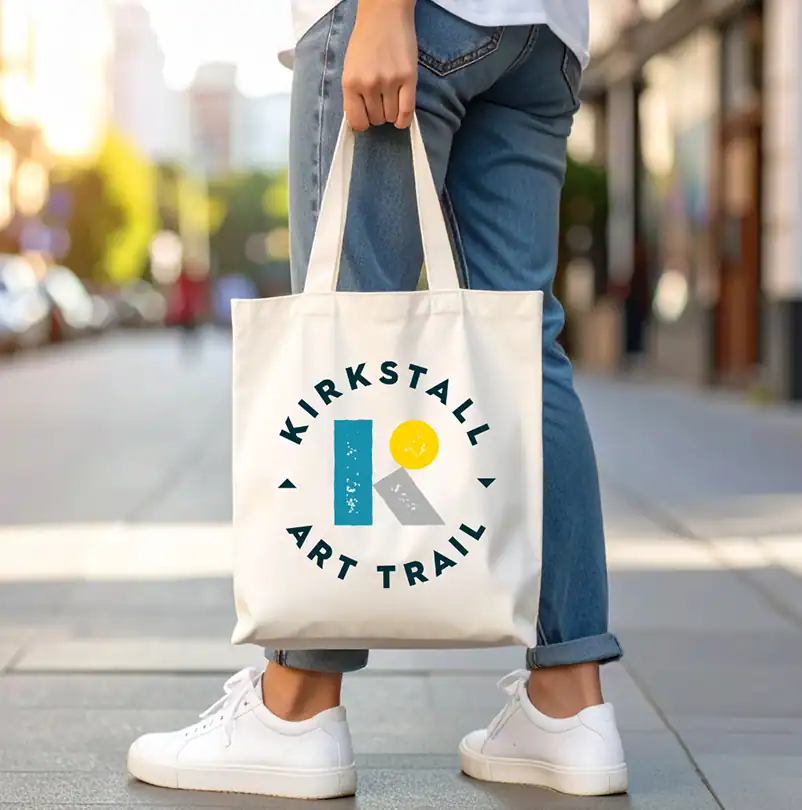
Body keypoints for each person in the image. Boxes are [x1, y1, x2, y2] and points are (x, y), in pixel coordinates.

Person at [127, 0, 627, 799]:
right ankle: (568, 709)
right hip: (545, 35)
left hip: (415, 19)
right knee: (522, 348)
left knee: (345, 350)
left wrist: (383, 11)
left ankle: (293, 713)